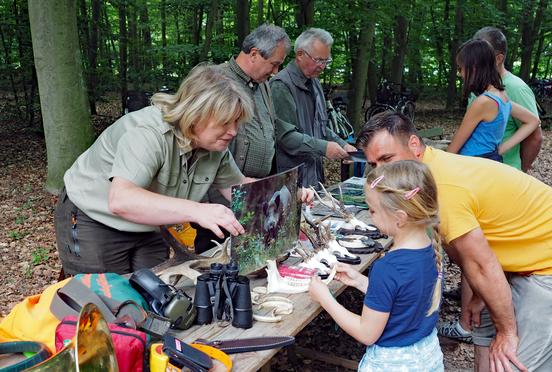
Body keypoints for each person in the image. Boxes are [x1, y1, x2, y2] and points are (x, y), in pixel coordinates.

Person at [357, 111, 552, 371]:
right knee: (483, 325)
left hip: (544, 263)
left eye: (387, 159)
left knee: (514, 361)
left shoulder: (444, 189)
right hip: (521, 254)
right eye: (373, 165)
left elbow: (482, 265)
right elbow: (463, 252)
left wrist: (507, 332)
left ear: (414, 145)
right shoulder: (424, 176)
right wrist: (479, 294)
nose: (381, 172)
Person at [54, 65, 256, 275]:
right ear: (196, 115)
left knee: (156, 293)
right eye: (225, 123)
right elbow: (122, 200)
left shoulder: (214, 146)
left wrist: (281, 194)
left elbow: (237, 188)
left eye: (236, 123)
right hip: (94, 218)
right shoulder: (149, 134)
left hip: (149, 223)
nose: (233, 132)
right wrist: (198, 211)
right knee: (106, 299)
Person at [309, 160, 444, 371]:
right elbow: (404, 298)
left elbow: (366, 333)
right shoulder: (430, 250)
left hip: (392, 363)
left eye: (372, 210)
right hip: (426, 355)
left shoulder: (388, 267)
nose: (370, 216)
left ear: (399, 218)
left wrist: (325, 299)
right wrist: (362, 282)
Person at [194, 24, 291, 253]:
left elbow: (270, 125)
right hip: (221, 200)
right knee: (215, 259)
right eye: (274, 64)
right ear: (255, 54)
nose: (276, 71)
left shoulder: (263, 83)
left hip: (253, 192)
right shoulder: (215, 79)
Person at [271, 28, 357, 188]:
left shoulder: (315, 83)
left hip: (315, 177)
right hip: (291, 182)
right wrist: (323, 147)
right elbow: (286, 138)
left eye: (326, 61)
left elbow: (321, 127)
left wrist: (342, 144)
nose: (323, 66)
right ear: (300, 55)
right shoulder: (281, 86)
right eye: (318, 60)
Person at [448, 39, 540, 161]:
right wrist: (500, 150)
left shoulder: (483, 102)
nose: (460, 74)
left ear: (474, 68)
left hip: (472, 166)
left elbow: (453, 150)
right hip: (489, 162)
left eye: (461, 68)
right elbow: (533, 120)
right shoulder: (502, 96)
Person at [473, 27, 543, 172]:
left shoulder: (516, 88)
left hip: (504, 173)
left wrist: (520, 171)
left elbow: (535, 137)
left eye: (483, 55)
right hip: (477, 171)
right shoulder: (477, 85)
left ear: (499, 58)